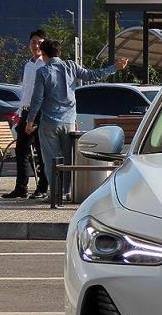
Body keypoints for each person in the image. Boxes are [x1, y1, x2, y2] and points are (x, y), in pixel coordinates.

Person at [25, 40, 128, 200]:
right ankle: (67, 192)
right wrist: (114, 67)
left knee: (51, 160)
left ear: (43, 54)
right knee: (69, 159)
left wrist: (30, 121)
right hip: (69, 121)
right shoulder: (71, 66)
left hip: (49, 122)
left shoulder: (43, 71)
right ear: (59, 53)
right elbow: (92, 75)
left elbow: (37, 99)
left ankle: (55, 193)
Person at [1, 29, 49, 199]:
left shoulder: (46, 65)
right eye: (33, 42)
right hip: (26, 112)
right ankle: (21, 188)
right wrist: (21, 112)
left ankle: (42, 188)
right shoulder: (28, 65)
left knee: (41, 151)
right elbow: (26, 91)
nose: (36, 45)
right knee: (21, 150)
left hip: (40, 112)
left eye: (39, 42)